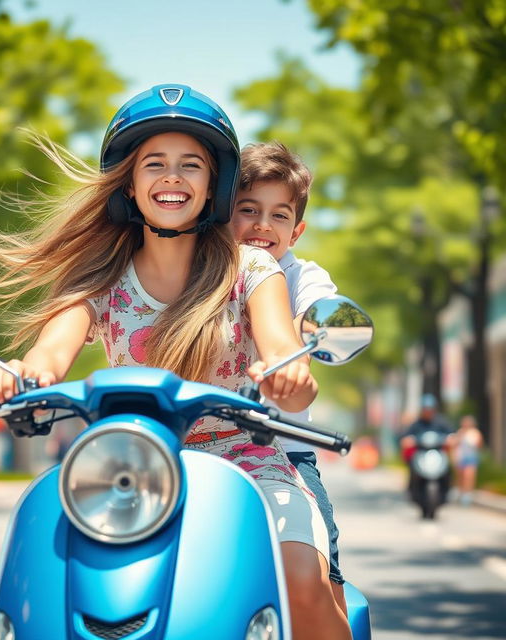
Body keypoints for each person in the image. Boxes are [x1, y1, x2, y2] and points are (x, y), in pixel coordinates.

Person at [0, 85, 351, 639]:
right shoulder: (100, 277)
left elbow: (285, 354)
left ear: (212, 184)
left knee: (300, 583)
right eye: (155, 164)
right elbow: (51, 351)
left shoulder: (252, 268)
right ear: (131, 182)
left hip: (250, 461)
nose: (173, 177)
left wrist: (288, 375)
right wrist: (23, 372)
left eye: (190, 164)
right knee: (53, 591)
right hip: (131, 467)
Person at [231, 142, 347, 615]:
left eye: (279, 216)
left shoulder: (304, 278)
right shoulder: (199, 272)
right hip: (187, 443)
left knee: (319, 573)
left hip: (285, 450)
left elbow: (310, 318)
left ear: (296, 231)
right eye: (248, 210)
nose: (263, 225)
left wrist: (295, 356)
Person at [400, 393, 453, 500]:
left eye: (430, 409)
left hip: (437, 454)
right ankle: (412, 490)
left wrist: (451, 439)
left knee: (448, 469)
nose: (427, 412)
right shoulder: (417, 424)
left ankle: (447, 490)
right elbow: (405, 438)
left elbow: (452, 435)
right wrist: (408, 441)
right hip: (421, 454)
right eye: (425, 409)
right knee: (412, 467)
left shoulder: (441, 422)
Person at [453, 414, 483, 505]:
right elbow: (455, 445)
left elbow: (479, 445)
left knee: (469, 476)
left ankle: (467, 495)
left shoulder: (475, 433)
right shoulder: (460, 432)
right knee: (461, 477)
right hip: (461, 457)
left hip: (471, 457)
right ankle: (461, 493)